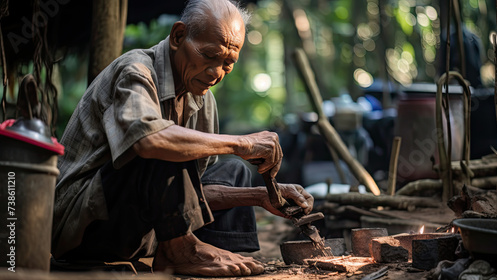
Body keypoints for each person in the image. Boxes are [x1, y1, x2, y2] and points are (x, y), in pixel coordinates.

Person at [51, 0, 314, 277]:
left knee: (233, 170)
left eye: (228, 63)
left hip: (139, 224)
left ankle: (213, 253)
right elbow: (149, 142)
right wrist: (242, 143)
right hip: (84, 228)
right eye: (209, 55)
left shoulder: (202, 98)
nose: (216, 73)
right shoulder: (136, 71)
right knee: (163, 143)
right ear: (178, 36)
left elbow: (184, 194)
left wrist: (260, 196)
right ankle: (180, 252)